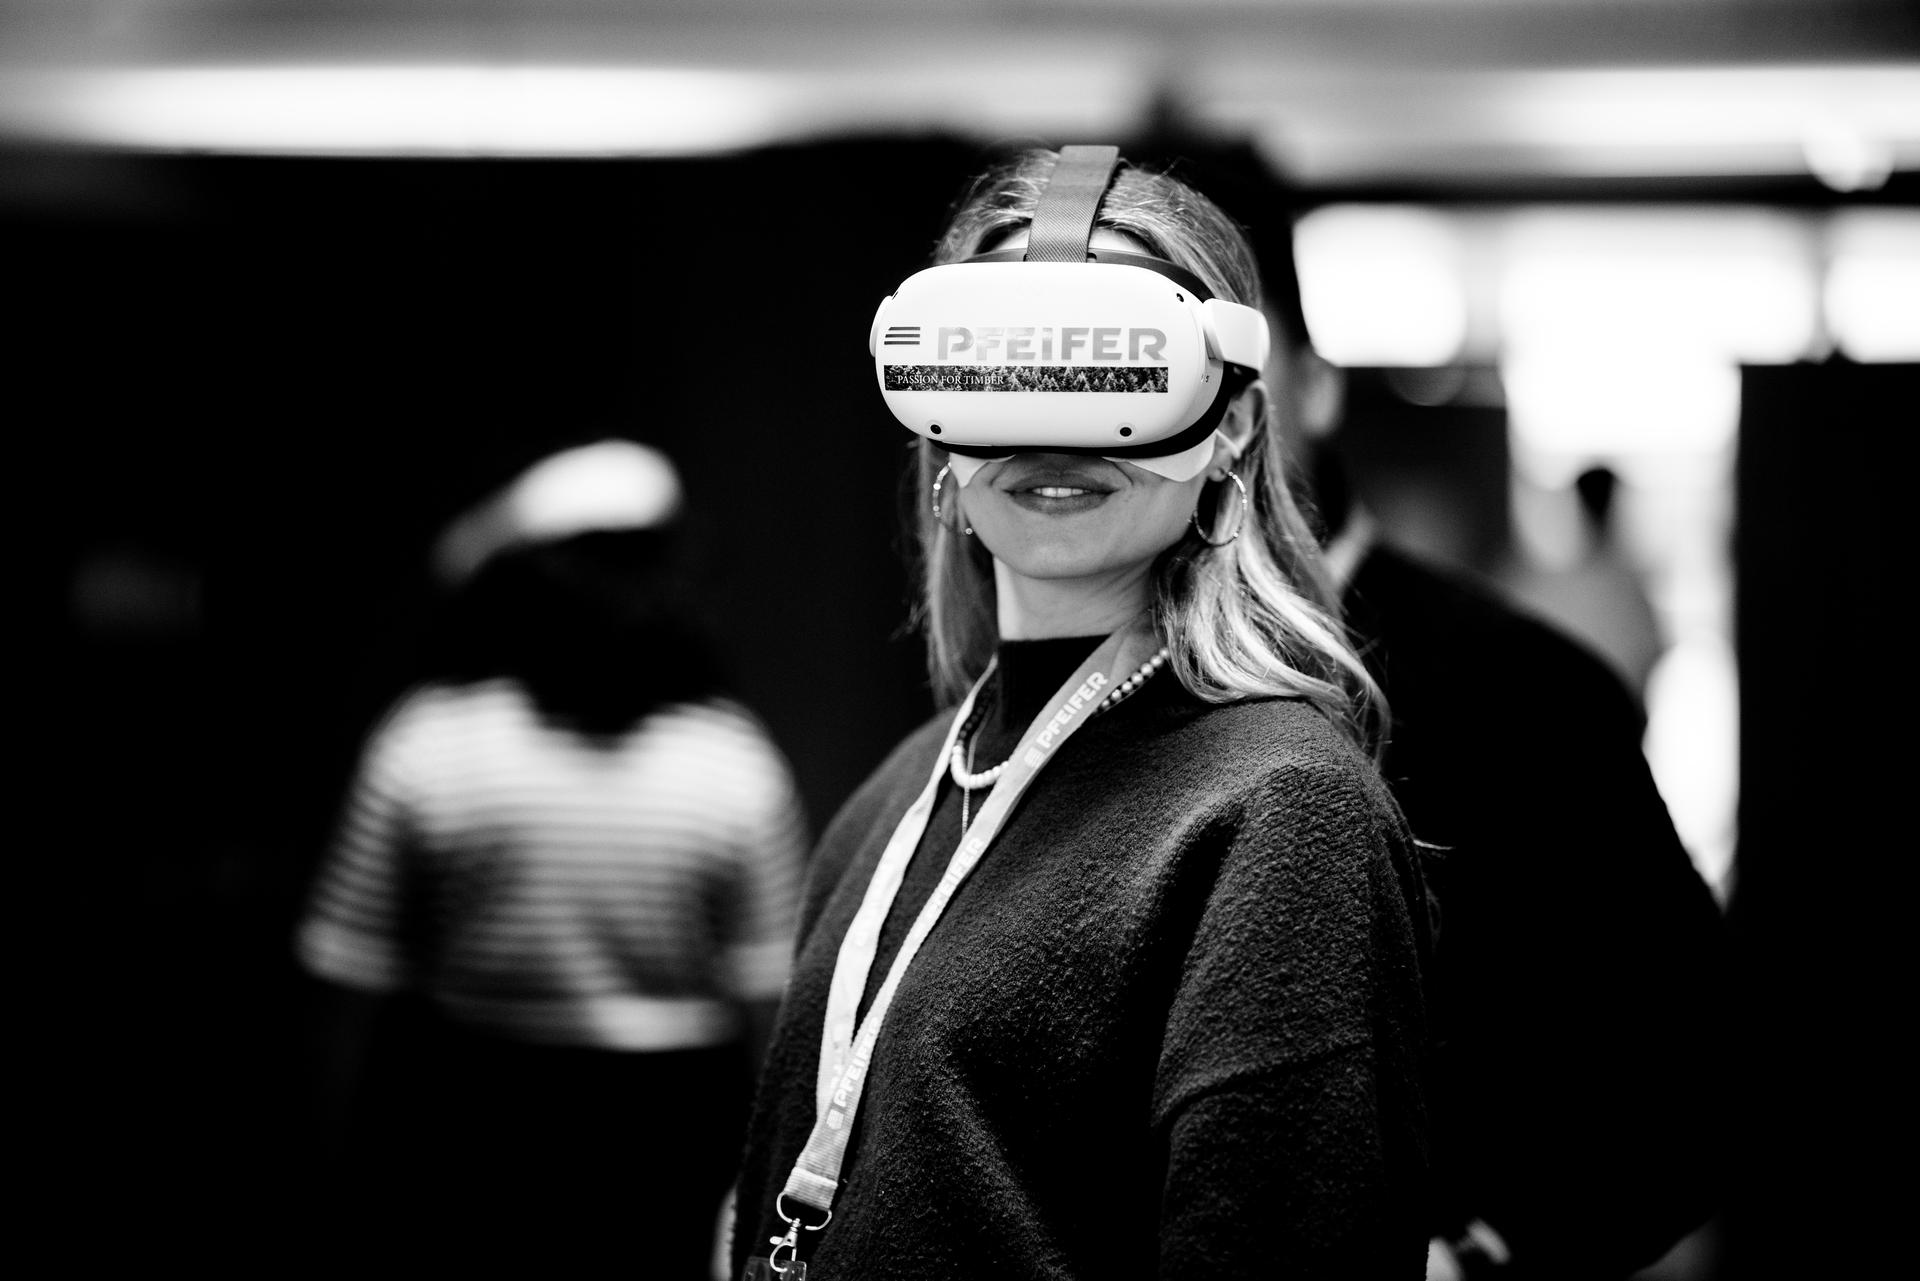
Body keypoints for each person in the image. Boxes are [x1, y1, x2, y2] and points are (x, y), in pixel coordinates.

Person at [729, 147, 1433, 1280]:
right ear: (935, 423)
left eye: (1117, 374)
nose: (1051, 434)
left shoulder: (1279, 813)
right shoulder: (903, 788)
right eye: (1000, 374)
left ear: (1234, 425)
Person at [1227, 176, 1731, 1278]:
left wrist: (1485, 1252)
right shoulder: (1083, 695)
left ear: (1313, 386)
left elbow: (1696, 1074)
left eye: (1231, 366)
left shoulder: (1527, 692)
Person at [294, 439, 809, 1274]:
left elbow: (343, 999)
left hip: (477, 1138)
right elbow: (772, 1019)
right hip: (654, 1145)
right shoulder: (731, 756)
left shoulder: (426, 740)